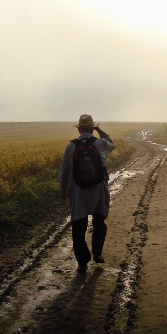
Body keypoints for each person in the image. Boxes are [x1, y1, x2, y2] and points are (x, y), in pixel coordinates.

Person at [60, 114, 115, 273]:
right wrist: (100, 130)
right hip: (99, 189)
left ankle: (82, 262)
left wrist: (64, 191)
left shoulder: (71, 146)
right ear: (92, 128)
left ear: (79, 129)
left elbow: (64, 171)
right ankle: (97, 253)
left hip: (78, 189)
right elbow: (112, 144)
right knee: (99, 221)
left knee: (78, 226)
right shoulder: (100, 143)